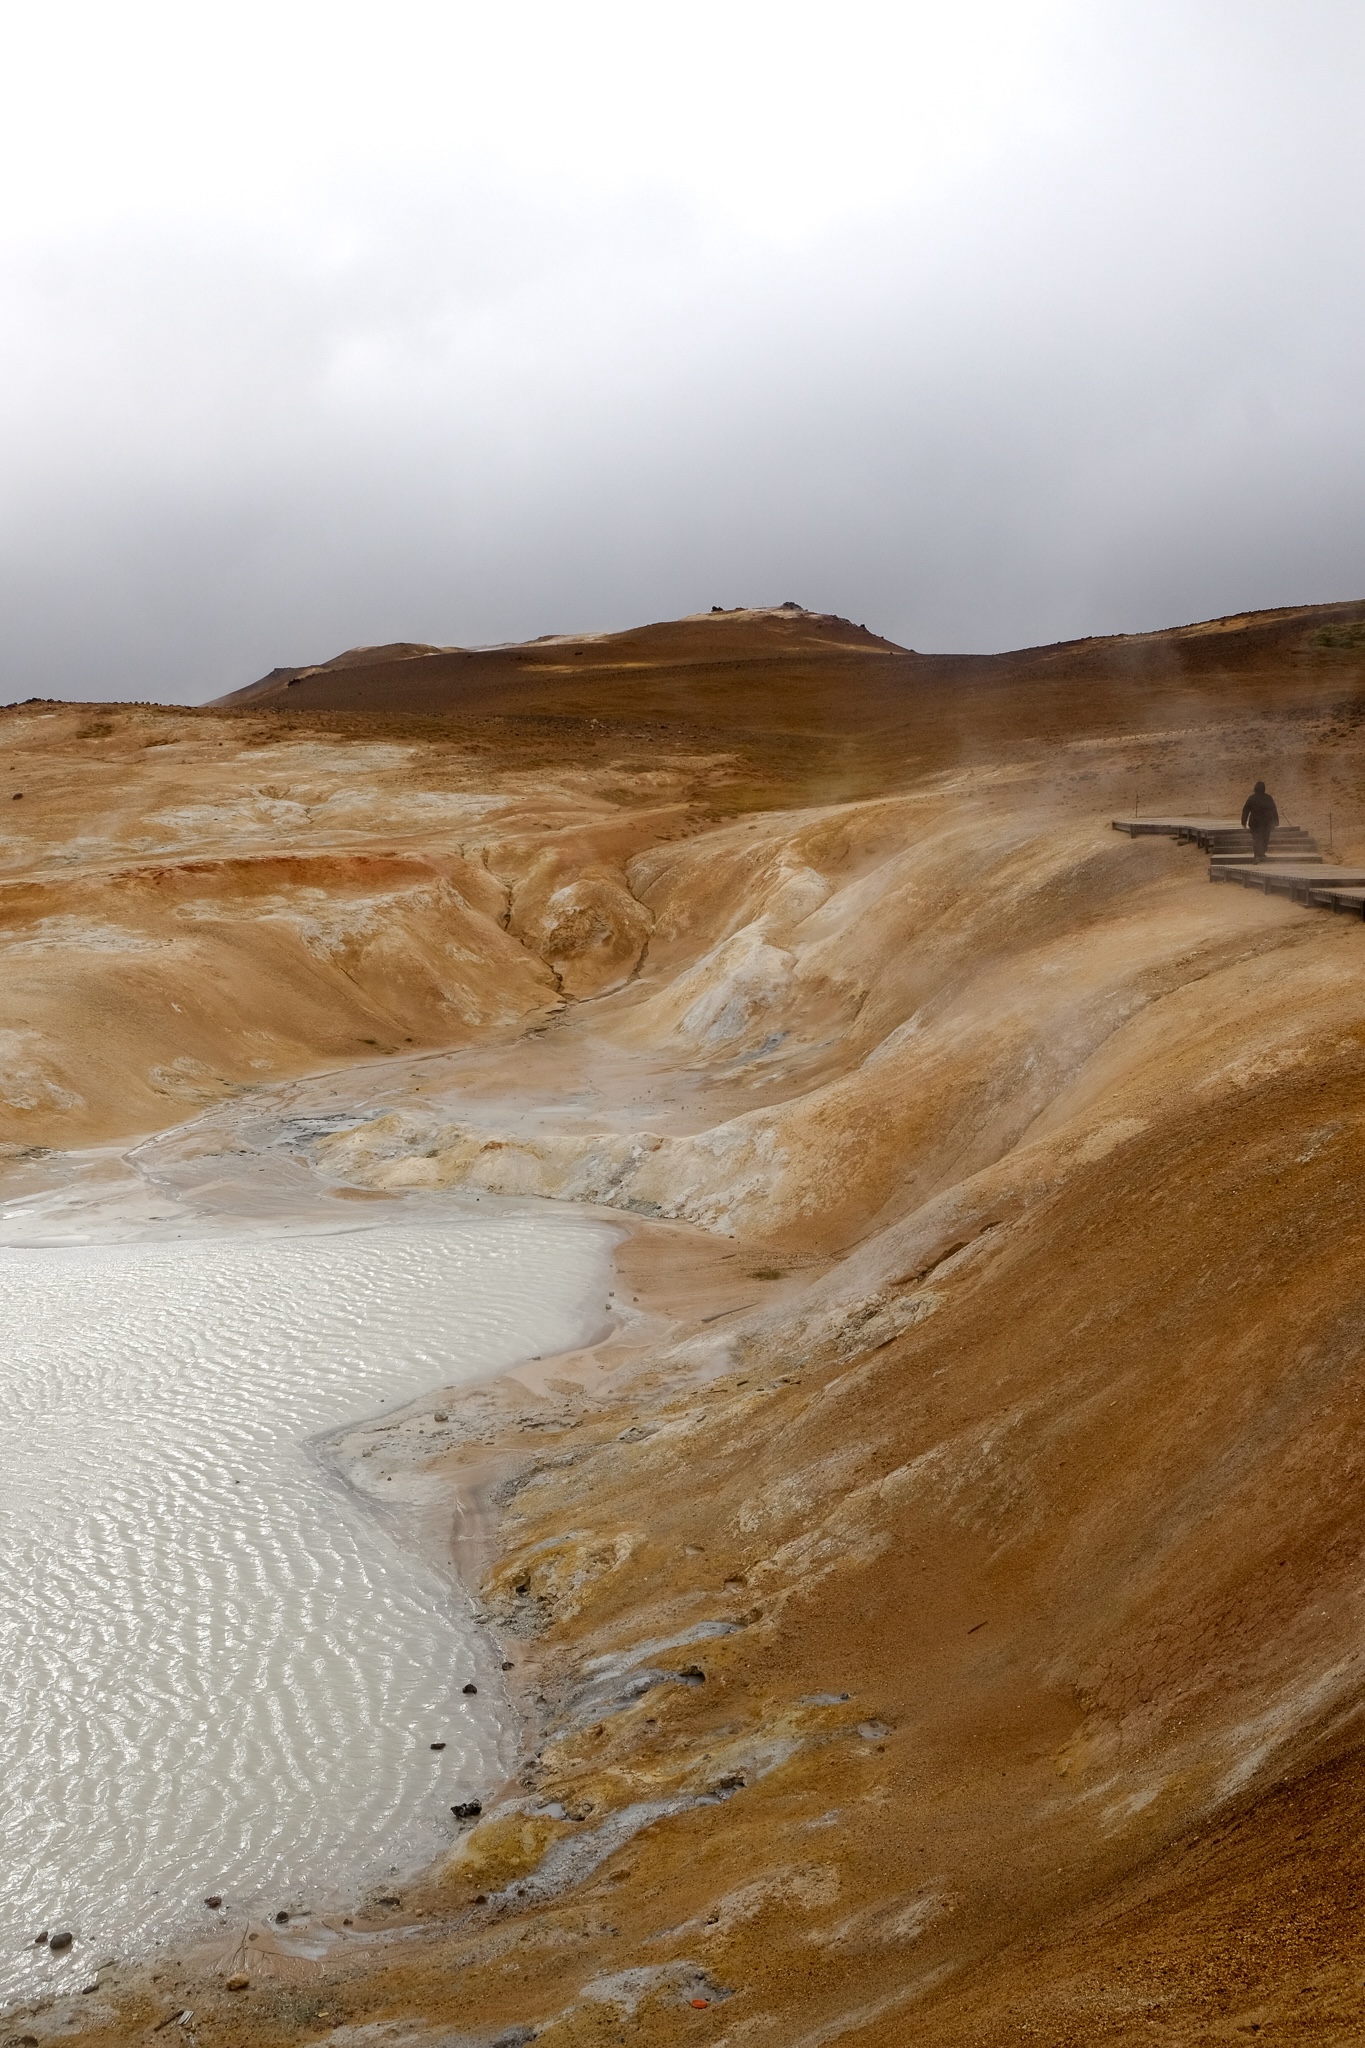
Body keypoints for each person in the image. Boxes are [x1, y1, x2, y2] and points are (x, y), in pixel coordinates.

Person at [1241, 780, 1279, 861]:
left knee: (1256, 838)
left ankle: (1257, 855)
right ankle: (1261, 853)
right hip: (1266, 822)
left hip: (1255, 822)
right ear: (1264, 789)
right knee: (1265, 838)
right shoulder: (1268, 798)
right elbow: (1274, 810)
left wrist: (1243, 822)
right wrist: (1276, 822)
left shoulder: (1251, 798)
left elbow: (1245, 810)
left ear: (1255, 788)